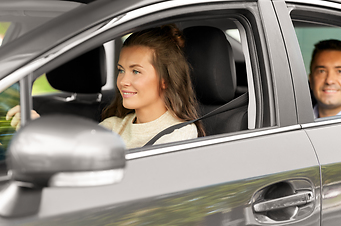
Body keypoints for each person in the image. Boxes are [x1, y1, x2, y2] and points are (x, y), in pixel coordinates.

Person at [6, 24, 205, 148]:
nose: (123, 81)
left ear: (165, 80)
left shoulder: (181, 134)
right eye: (121, 70)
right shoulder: (114, 126)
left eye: (136, 71)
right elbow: (75, 152)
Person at [309, 39, 341, 118]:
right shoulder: (290, 124)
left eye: (340, 71)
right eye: (322, 71)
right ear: (311, 80)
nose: (329, 81)